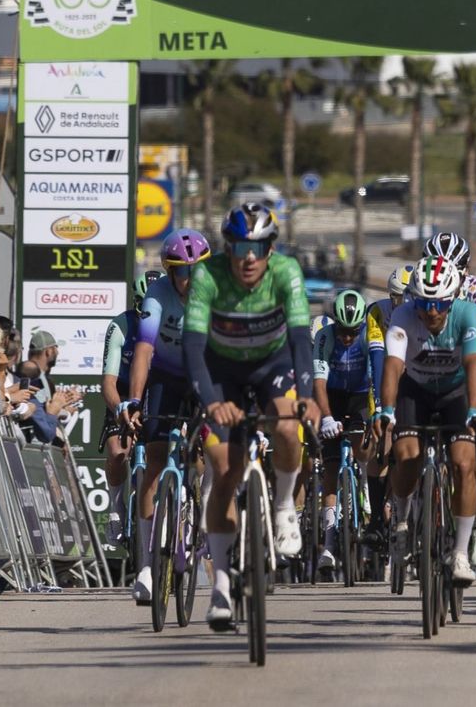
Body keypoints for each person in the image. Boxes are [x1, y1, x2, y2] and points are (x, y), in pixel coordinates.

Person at [182, 203, 316, 630]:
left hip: (271, 366)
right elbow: (192, 348)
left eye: (257, 248)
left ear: (271, 249)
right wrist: (209, 401)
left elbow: (300, 339)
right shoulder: (208, 275)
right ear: (228, 248)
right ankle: (221, 585)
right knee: (224, 470)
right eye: (239, 247)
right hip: (222, 372)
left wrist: (307, 395)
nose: (248, 258)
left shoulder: (287, 273)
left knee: (288, 427)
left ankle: (282, 507)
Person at [376, 256, 476, 585]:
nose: (432, 312)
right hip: (416, 391)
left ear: (452, 299)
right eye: (424, 303)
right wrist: (386, 409)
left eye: (440, 303)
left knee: (463, 465)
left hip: (456, 393)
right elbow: (393, 367)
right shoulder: (402, 315)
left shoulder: (468, 314)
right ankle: (402, 521)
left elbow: (474, 365)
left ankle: (461, 553)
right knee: (407, 457)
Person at [124, 230, 210, 604]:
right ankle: (146, 565)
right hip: (167, 376)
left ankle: (202, 515)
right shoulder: (157, 295)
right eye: (182, 272)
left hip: (204, 374)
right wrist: (133, 400)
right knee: (156, 460)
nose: (189, 280)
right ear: (170, 272)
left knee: (211, 449)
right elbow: (143, 350)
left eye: (196, 271)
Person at [423, 232, 476, 571]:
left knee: (474, 449)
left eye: (454, 266)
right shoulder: (421, 286)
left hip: (465, 374)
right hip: (425, 373)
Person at [312, 288, 373, 577]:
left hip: (361, 395)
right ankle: (328, 542)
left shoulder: (368, 334)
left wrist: (379, 414)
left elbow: (379, 375)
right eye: (343, 332)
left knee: (364, 443)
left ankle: (363, 480)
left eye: (353, 332)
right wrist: (326, 417)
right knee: (331, 466)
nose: (348, 338)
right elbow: (319, 384)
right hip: (333, 397)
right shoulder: (324, 337)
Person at [100, 271, 158, 548]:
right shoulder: (121, 325)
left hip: (157, 390)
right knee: (117, 451)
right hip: (124, 391)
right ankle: (116, 507)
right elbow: (108, 382)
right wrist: (119, 407)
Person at [361, 263, 411, 542]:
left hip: (415, 379)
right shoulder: (378, 312)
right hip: (386, 381)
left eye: (404, 298)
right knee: (383, 438)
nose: (399, 304)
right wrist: (381, 407)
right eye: (395, 298)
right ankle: (378, 517)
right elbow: (378, 360)